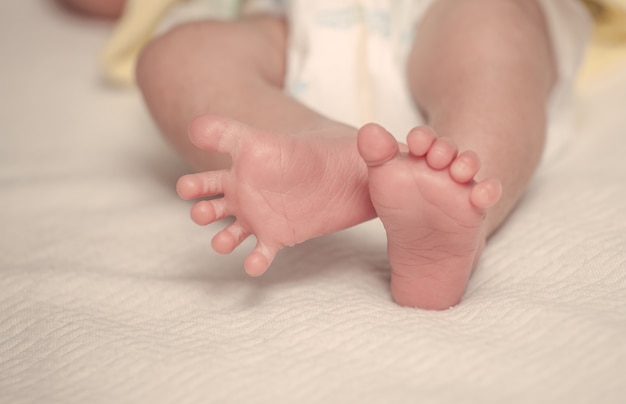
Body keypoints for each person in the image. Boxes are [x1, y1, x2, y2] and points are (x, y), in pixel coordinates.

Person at [61, 0, 591, 309]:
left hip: (446, 11)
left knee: (495, 28)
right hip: (292, 27)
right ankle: (320, 152)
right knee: (177, 55)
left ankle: (457, 211)